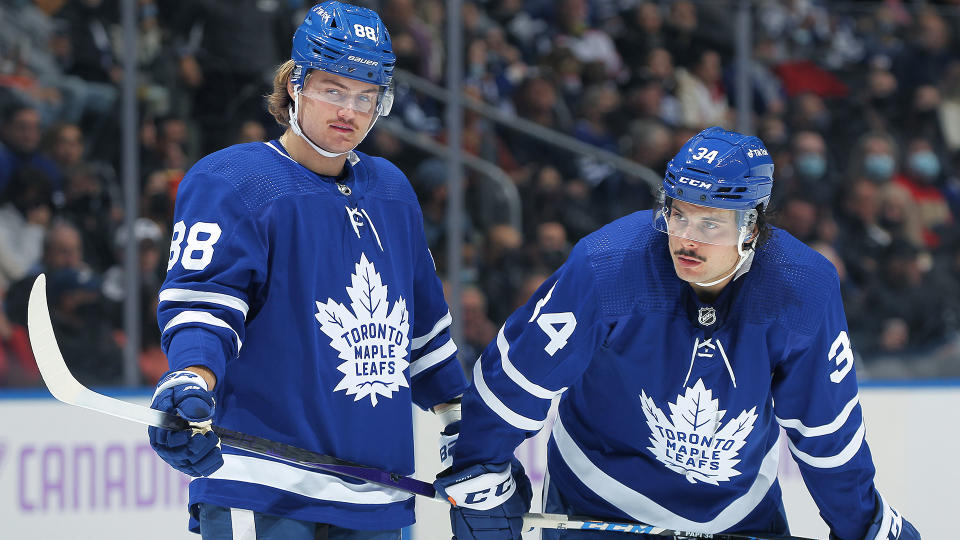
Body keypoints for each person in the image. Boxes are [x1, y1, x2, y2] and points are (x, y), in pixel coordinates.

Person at [435, 127, 920, 539]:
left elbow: (825, 431)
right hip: (600, 495)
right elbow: (521, 376)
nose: (687, 238)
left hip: (738, 509)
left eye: (710, 223)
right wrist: (479, 463)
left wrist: (864, 524)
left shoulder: (802, 289)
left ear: (752, 227)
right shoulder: (608, 265)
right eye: (679, 213)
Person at [147, 3, 467, 539]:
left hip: (377, 491)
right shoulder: (234, 180)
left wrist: (466, 432)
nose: (351, 111)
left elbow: (423, 329)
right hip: (263, 480)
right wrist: (190, 377)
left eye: (367, 96)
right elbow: (206, 305)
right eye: (333, 89)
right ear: (295, 84)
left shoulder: (391, 189)